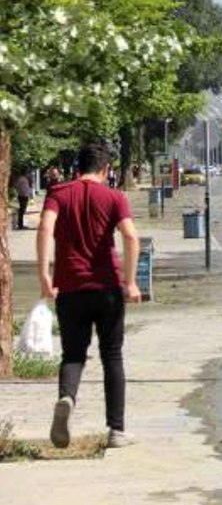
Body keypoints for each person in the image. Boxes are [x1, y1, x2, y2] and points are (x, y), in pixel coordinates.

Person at [36, 142, 141, 450]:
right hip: (107, 288)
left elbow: (44, 229)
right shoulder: (114, 197)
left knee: (72, 355)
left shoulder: (57, 193)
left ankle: (67, 398)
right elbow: (131, 237)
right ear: (106, 170)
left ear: (77, 167)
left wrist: (45, 276)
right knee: (112, 356)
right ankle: (116, 431)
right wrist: (131, 282)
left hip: (69, 289)